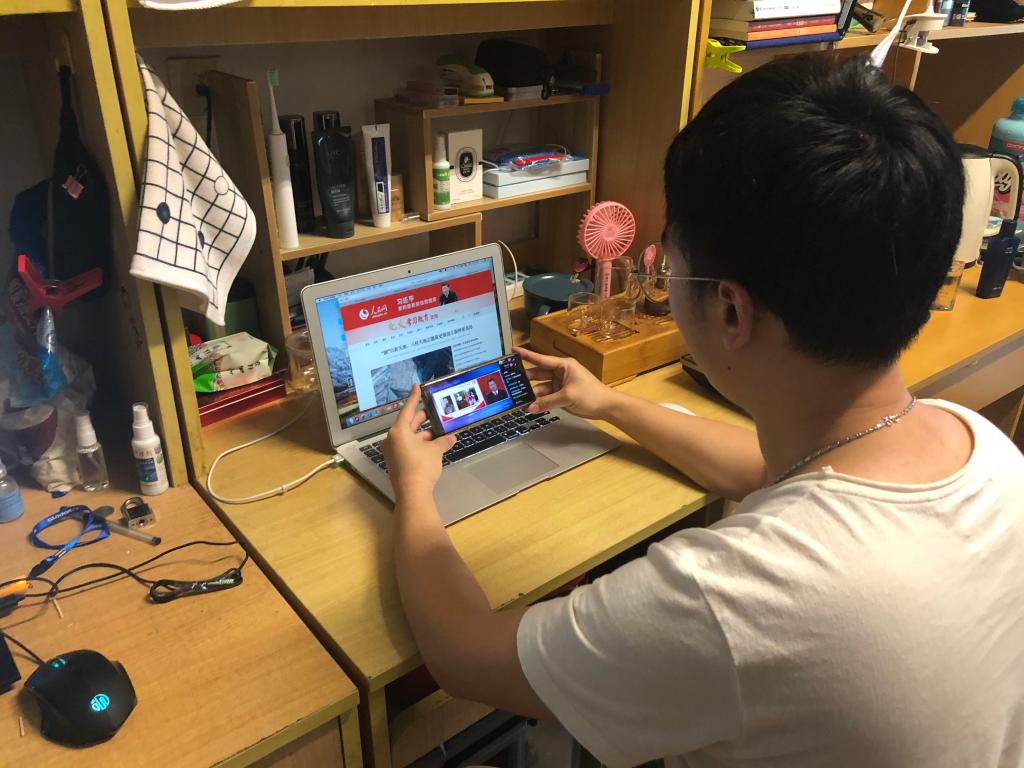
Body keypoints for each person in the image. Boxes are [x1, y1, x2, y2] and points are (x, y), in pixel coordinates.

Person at [382, 54, 1024, 767]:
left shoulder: (729, 597)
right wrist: (609, 404)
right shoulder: (986, 453)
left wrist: (413, 487)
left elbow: (464, 657)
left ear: (729, 310)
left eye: (670, 265)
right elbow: (776, 472)